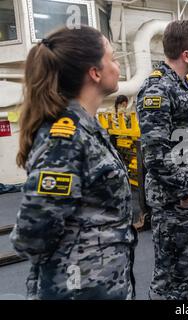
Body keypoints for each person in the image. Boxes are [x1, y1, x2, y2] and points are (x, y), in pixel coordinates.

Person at [10, 26, 137, 300]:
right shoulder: (65, 137)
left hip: (102, 284)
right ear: (95, 72)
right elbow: (33, 233)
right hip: (77, 288)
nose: (118, 66)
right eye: (113, 58)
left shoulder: (87, 128)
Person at [136, 20, 188, 300]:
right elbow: (155, 154)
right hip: (175, 201)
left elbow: (186, 139)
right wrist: (185, 191)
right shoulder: (158, 89)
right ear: (186, 54)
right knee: (170, 276)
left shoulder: (184, 85)